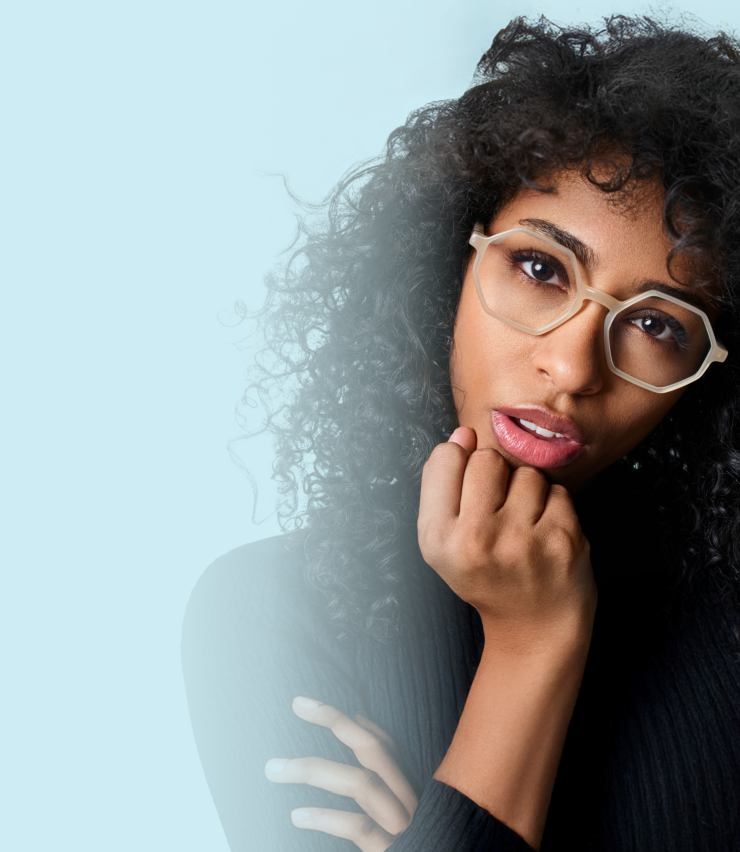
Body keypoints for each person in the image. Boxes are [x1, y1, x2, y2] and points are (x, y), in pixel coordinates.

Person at [182, 16, 740, 852]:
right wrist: (531, 645)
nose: (573, 365)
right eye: (542, 269)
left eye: (658, 327)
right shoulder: (266, 616)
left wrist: (440, 826)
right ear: (452, 264)